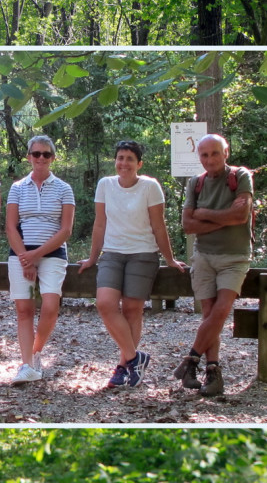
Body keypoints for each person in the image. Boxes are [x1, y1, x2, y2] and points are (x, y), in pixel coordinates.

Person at [78, 140, 186, 388]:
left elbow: (159, 226)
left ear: (139, 164)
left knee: (132, 309)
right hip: (113, 253)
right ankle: (135, 358)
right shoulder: (105, 185)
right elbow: (100, 224)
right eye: (120, 158)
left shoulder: (150, 187)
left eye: (129, 159)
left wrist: (169, 258)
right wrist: (93, 257)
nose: (123, 163)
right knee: (105, 304)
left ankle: (123, 366)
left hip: (143, 254)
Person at [173, 133, 253, 396]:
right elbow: (187, 225)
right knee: (209, 315)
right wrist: (225, 218)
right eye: (205, 155)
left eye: (215, 153)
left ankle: (190, 360)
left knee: (220, 312)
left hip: (235, 257)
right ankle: (213, 372)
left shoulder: (241, 176)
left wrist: (205, 214)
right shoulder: (195, 183)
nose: (210, 159)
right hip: (204, 256)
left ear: (226, 153)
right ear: (199, 157)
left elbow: (241, 215)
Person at [5, 134, 75, 385]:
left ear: (53, 158)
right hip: (21, 254)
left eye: (46, 154)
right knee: (24, 310)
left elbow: (66, 230)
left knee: (49, 306)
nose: (41, 158)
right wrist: (26, 258)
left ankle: (35, 352)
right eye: (36, 154)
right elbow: (11, 227)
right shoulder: (17, 187)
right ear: (29, 157)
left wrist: (37, 256)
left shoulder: (64, 189)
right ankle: (27, 366)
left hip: (52, 254)